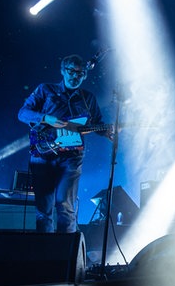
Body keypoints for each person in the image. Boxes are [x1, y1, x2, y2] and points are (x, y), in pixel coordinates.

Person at [18, 54, 112, 233]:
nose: (75, 76)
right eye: (71, 71)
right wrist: (45, 118)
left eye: (80, 73)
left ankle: (65, 256)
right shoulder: (45, 90)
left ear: (85, 75)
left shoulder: (88, 98)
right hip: (43, 155)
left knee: (65, 205)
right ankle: (45, 255)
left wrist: (106, 132)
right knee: (43, 210)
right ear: (62, 71)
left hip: (71, 158)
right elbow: (23, 113)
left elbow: (97, 124)